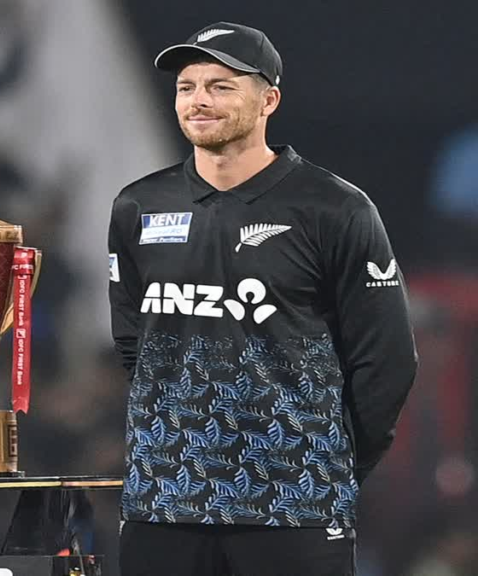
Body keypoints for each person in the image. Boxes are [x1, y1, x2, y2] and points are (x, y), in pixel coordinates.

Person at [108, 23, 417, 575]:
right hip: (164, 503)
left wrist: (330, 461)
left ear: (269, 99)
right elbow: (135, 343)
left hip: (294, 505)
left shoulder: (334, 208)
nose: (199, 100)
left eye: (221, 86)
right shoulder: (139, 205)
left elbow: (386, 359)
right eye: (186, 87)